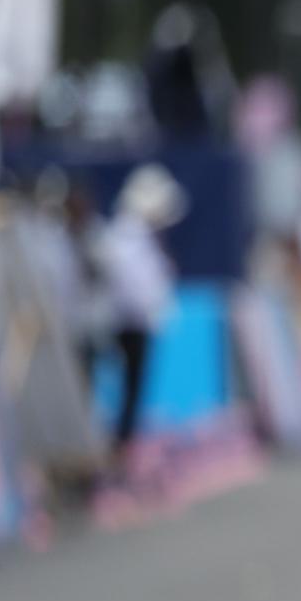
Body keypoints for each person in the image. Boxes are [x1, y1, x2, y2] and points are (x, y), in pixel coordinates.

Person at [95, 163, 187, 478]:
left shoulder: (135, 236)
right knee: (124, 389)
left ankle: (122, 448)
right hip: (126, 322)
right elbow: (135, 287)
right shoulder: (127, 238)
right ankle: (116, 450)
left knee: (131, 391)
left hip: (133, 321)